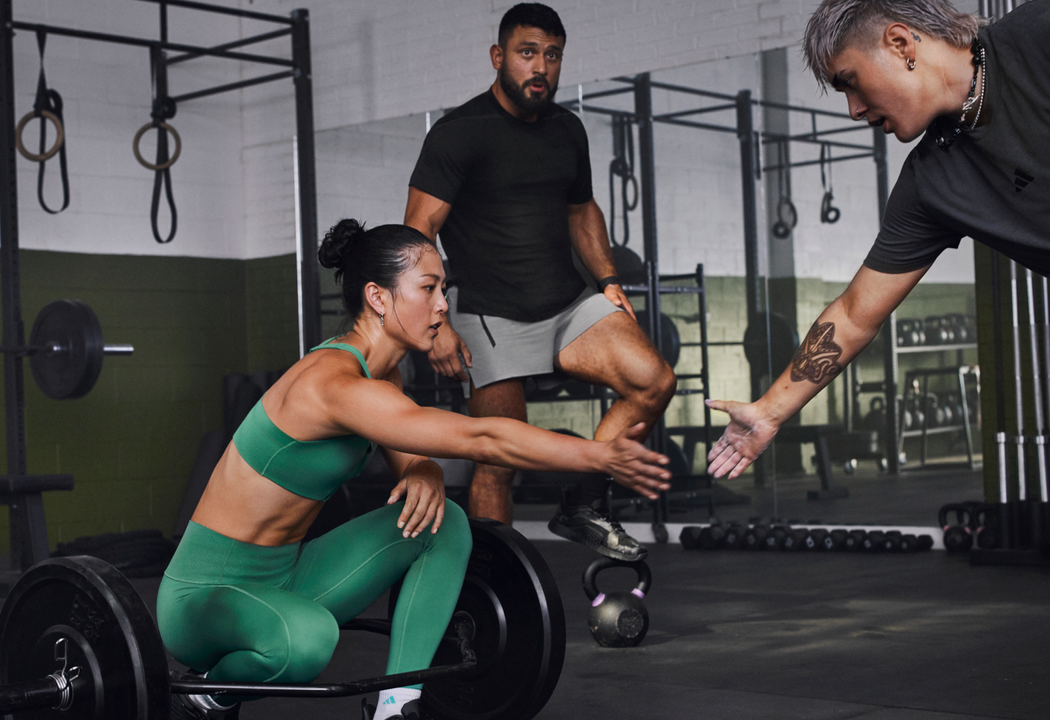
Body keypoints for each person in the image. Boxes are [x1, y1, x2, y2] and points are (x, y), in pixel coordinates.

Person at [160, 219, 671, 720]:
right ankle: (207, 695)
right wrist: (597, 455)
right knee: (308, 641)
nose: (443, 304)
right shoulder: (331, 384)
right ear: (379, 298)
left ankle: (395, 706)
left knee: (442, 522)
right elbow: (481, 435)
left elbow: (408, 442)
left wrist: (422, 469)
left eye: (443, 288)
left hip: (287, 578)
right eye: (428, 288)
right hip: (205, 598)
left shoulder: (384, 374)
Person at [706, 0, 1049, 477]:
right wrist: (769, 410)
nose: (853, 110)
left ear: (901, 44)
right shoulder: (931, 185)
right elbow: (852, 315)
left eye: (850, 82)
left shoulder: (1035, 36)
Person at [404, 2, 675, 561]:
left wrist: (607, 280)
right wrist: (437, 323)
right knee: (498, 460)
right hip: (488, 313)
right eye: (528, 53)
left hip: (566, 305)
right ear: (499, 57)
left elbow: (582, 210)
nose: (541, 68)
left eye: (552, 56)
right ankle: (494, 582)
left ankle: (582, 502)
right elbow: (419, 231)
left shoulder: (566, 129)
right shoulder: (459, 134)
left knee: (653, 381)